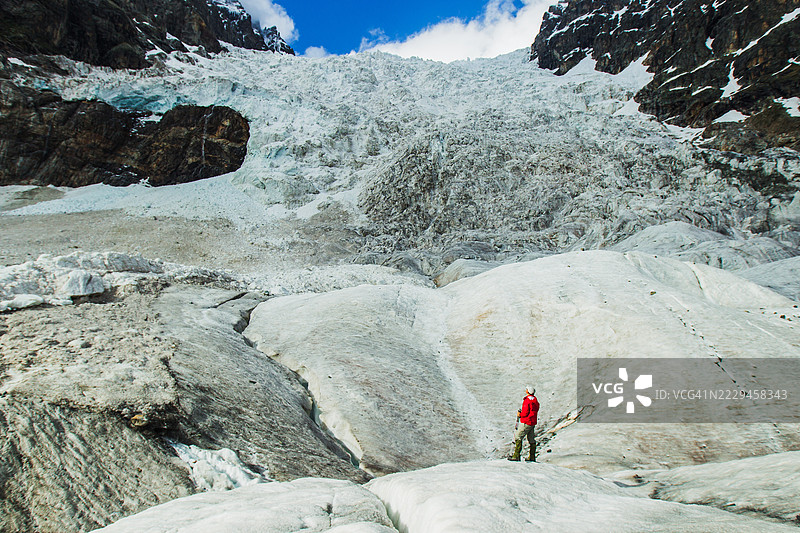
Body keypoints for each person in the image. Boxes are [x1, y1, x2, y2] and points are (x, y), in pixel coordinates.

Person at [509, 385, 539, 462]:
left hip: (526, 422)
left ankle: (516, 455)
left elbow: (525, 413)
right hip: (532, 422)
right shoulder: (535, 400)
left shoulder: (527, 401)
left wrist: (520, 414)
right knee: (531, 438)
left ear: (528, 391)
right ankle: (532, 456)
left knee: (518, 436)